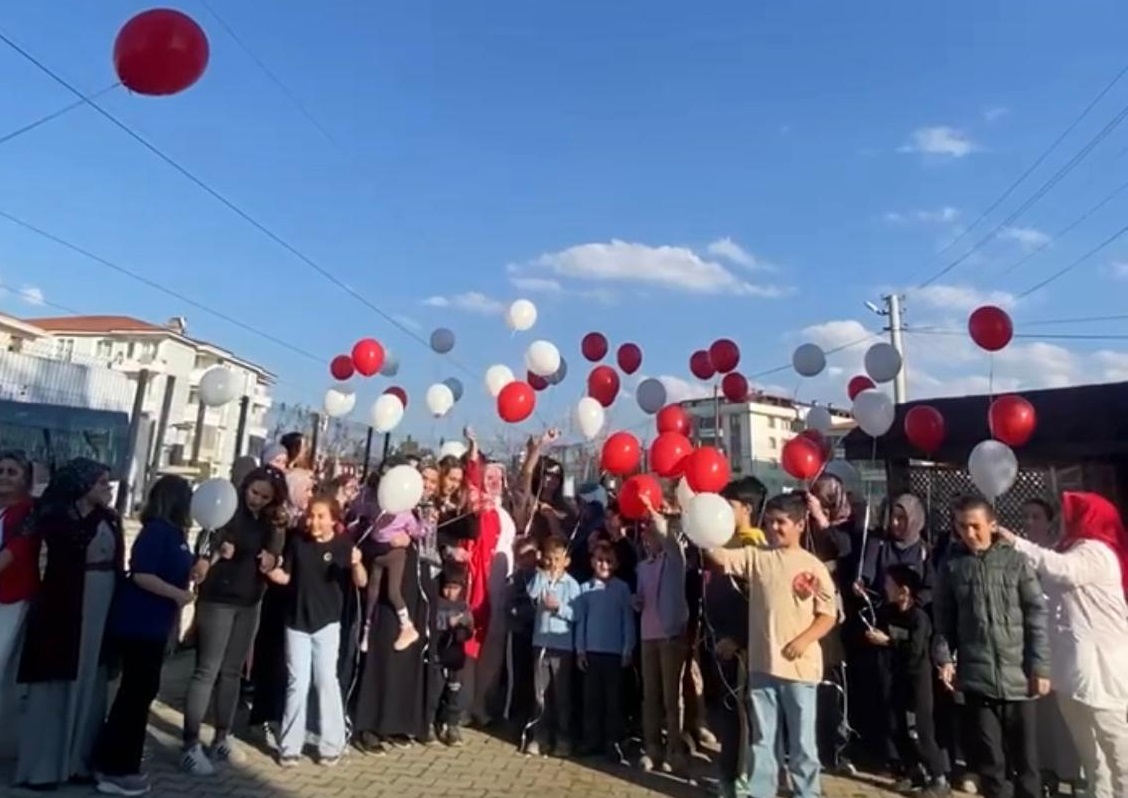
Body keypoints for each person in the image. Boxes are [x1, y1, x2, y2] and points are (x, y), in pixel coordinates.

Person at [702, 492, 838, 798]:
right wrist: (702, 532)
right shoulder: (758, 556)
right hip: (763, 666)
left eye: (781, 522)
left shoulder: (812, 566)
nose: (773, 528)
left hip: (800, 671)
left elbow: (828, 614)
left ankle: (807, 792)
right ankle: (762, 791)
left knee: (802, 742)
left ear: (800, 524)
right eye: (769, 522)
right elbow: (723, 558)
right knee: (763, 739)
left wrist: (803, 640)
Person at [999, 492, 1128, 798]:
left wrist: (1016, 542)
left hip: (1102, 667)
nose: (1065, 520)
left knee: (1114, 740)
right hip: (1072, 667)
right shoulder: (1072, 548)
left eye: (1072, 513)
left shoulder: (1096, 552)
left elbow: (1062, 569)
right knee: (1088, 747)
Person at [932, 495, 1050, 798]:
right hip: (977, 678)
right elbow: (944, 618)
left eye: (975, 526)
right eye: (962, 526)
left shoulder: (1016, 562)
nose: (969, 533)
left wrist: (1040, 666)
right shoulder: (952, 566)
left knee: (1026, 762)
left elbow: (1036, 615)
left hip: (1019, 677)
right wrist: (945, 659)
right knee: (991, 762)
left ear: (992, 525)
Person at [16, 459, 122, 790]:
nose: (107, 488)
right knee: (58, 686)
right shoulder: (57, 515)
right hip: (66, 608)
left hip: (102, 603)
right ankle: (45, 767)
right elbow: (69, 548)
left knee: (92, 681)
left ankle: (79, 760)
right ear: (82, 484)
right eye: (100, 482)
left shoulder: (109, 517)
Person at [93, 475, 197, 796]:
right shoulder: (156, 532)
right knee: (135, 696)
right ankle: (117, 766)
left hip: (156, 625)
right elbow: (142, 574)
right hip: (140, 623)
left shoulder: (176, 534)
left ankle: (115, 760)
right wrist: (177, 595)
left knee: (140, 694)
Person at [181, 466, 287, 775]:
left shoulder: (268, 520)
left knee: (232, 672)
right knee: (207, 670)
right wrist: (210, 557)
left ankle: (221, 737)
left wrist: (273, 558)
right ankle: (190, 744)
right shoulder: (228, 509)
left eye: (265, 497)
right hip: (218, 599)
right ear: (245, 487)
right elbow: (207, 543)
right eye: (255, 493)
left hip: (249, 601)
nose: (258, 500)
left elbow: (275, 553)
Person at [265, 494, 365, 767]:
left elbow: (361, 581)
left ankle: (332, 744)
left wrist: (357, 563)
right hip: (296, 623)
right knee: (297, 683)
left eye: (321, 516)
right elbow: (286, 576)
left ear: (333, 519)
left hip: (327, 624)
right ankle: (290, 747)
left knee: (325, 681)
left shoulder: (344, 545)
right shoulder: (298, 542)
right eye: (311, 515)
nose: (314, 521)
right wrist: (269, 570)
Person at [864, 564, 949, 797]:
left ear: (904, 591)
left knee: (923, 731)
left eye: (890, 584)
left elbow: (916, 649)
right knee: (895, 726)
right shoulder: (889, 612)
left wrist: (888, 641)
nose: (886, 588)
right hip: (896, 678)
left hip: (919, 680)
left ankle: (939, 778)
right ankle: (914, 772)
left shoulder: (919, 617)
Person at [1016, 497, 1081, 794]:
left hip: (1061, 645)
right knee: (1039, 716)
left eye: (1036, 517)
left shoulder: (1061, 556)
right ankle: (1045, 772)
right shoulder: (1019, 556)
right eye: (1026, 517)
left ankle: (1071, 773)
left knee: (1065, 715)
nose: (1030, 522)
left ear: (1050, 521)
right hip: (1031, 645)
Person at [707, 477, 767, 798]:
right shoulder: (724, 539)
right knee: (728, 711)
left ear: (747, 509)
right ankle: (727, 774)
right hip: (719, 640)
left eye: (729, 506)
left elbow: (759, 604)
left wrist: (739, 639)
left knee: (745, 713)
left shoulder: (755, 546)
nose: (723, 512)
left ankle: (744, 777)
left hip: (743, 645)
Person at [635, 497, 690, 774]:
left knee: (671, 696)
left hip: (670, 635)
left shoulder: (675, 557)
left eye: (652, 533)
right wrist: (637, 601)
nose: (648, 539)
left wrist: (654, 511)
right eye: (645, 535)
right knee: (651, 695)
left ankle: (674, 749)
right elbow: (642, 596)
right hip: (648, 635)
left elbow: (669, 537)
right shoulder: (643, 567)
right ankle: (652, 747)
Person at [575, 541, 635, 761]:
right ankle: (591, 740)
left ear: (616, 564)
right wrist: (580, 650)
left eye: (609, 561)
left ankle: (613, 742)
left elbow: (628, 621)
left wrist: (628, 649)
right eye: (600, 560)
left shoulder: (622, 589)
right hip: (591, 653)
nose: (604, 564)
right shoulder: (584, 589)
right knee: (591, 700)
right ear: (592, 562)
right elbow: (581, 622)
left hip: (614, 654)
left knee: (613, 701)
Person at [525, 536, 580, 757]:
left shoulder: (572, 585)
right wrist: (541, 574)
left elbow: (576, 614)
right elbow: (531, 594)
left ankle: (563, 738)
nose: (553, 563)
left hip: (561, 646)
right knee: (540, 693)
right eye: (549, 558)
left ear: (566, 561)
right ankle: (540, 736)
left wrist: (559, 608)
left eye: (558, 559)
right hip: (541, 643)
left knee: (561, 695)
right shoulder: (542, 578)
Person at [361, 510, 424, 652]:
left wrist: (416, 530)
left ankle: (407, 625)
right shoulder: (376, 508)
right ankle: (367, 629)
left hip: (394, 554)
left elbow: (418, 532)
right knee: (371, 594)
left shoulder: (405, 513)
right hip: (376, 553)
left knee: (393, 592)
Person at [0, 451, 36, 687]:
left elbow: (15, 550)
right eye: (0, 471)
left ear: (25, 478)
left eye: (12, 472)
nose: (4, 476)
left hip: (11, 595)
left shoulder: (29, 512)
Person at [432, 567, 474, 746]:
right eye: (447, 587)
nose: (450, 592)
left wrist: (461, 629)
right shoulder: (437, 604)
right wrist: (447, 624)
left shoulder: (464, 607)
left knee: (454, 693)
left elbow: (470, 630)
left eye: (455, 588)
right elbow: (433, 625)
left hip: (456, 660)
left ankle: (452, 725)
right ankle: (431, 723)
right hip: (438, 658)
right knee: (434, 692)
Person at [503, 537, 539, 735]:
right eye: (522, 556)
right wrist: (523, 612)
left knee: (533, 677)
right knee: (516, 676)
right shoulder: (514, 579)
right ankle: (511, 715)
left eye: (530, 554)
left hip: (536, 634)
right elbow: (510, 606)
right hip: (517, 632)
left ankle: (530, 716)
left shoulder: (542, 576)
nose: (527, 559)